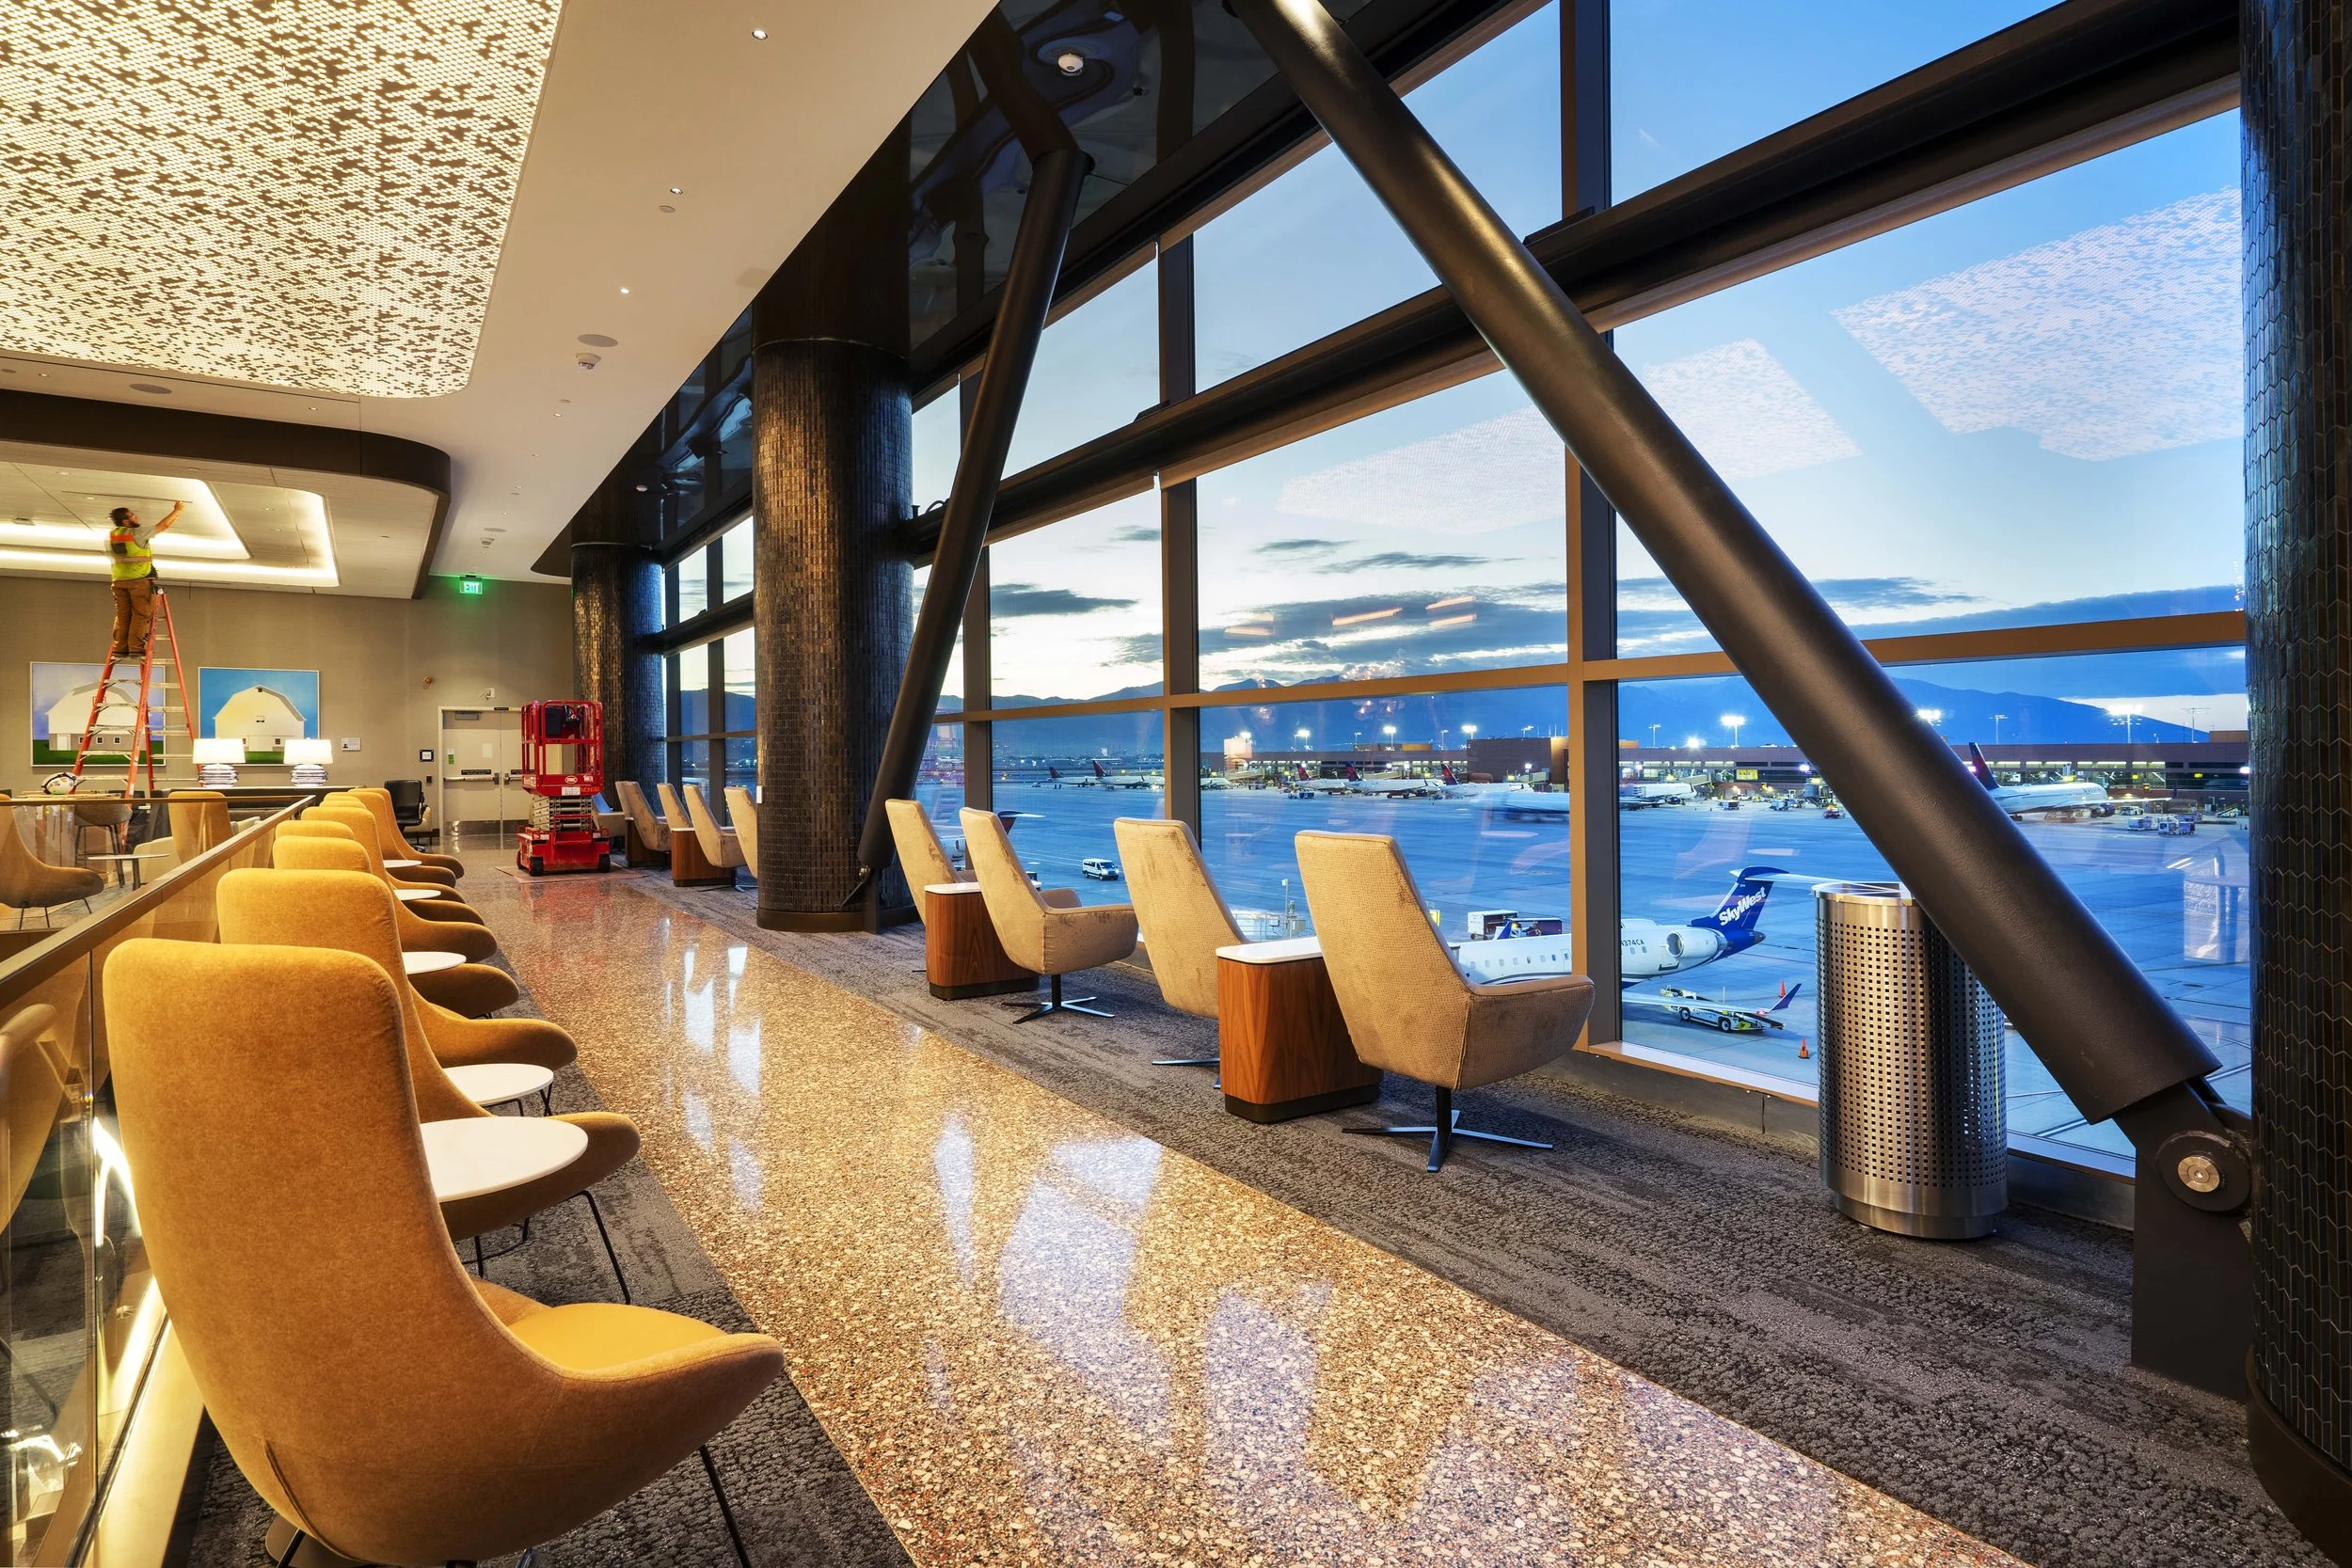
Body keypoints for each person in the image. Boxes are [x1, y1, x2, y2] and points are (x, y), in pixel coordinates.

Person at [108, 500, 184, 657]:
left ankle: (120, 647)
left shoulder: (115, 534)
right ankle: (135, 647)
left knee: (123, 616)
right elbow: (163, 526)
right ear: (126, 521)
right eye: (132, 515)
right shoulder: (135, 533)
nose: (136, 517)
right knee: (140, 615)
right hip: (138, 581)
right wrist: (177, 511)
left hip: (118, 581)